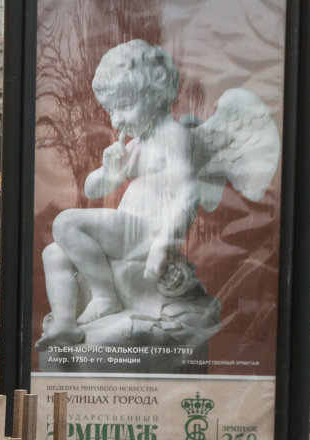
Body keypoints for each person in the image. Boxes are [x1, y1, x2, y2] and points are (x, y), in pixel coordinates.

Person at [37, 40, 198, 347]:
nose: (118, 120)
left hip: (146, 233)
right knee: (53, 252)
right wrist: (112, 171)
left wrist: (162, 245)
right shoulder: (138, 144)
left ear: (156, 94)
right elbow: (93, 188)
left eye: (125, 106)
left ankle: (105, 295)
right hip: (126, 233)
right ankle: (64, 324)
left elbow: (189, 194)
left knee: (66, 223)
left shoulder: (173, 137)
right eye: (112, 110)